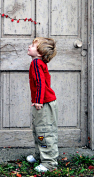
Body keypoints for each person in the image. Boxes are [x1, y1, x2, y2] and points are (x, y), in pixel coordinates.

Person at [26, 37, 58, 173]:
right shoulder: (38, 63)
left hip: (44, 103)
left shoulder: (37, 63)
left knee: (45, 132)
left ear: (39, 53)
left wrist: (38, 100)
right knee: (39, 130)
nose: (29, 46)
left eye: (32, 46)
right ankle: (40, 155)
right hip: (42, 102)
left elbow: (40, 82)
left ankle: (50, 163)